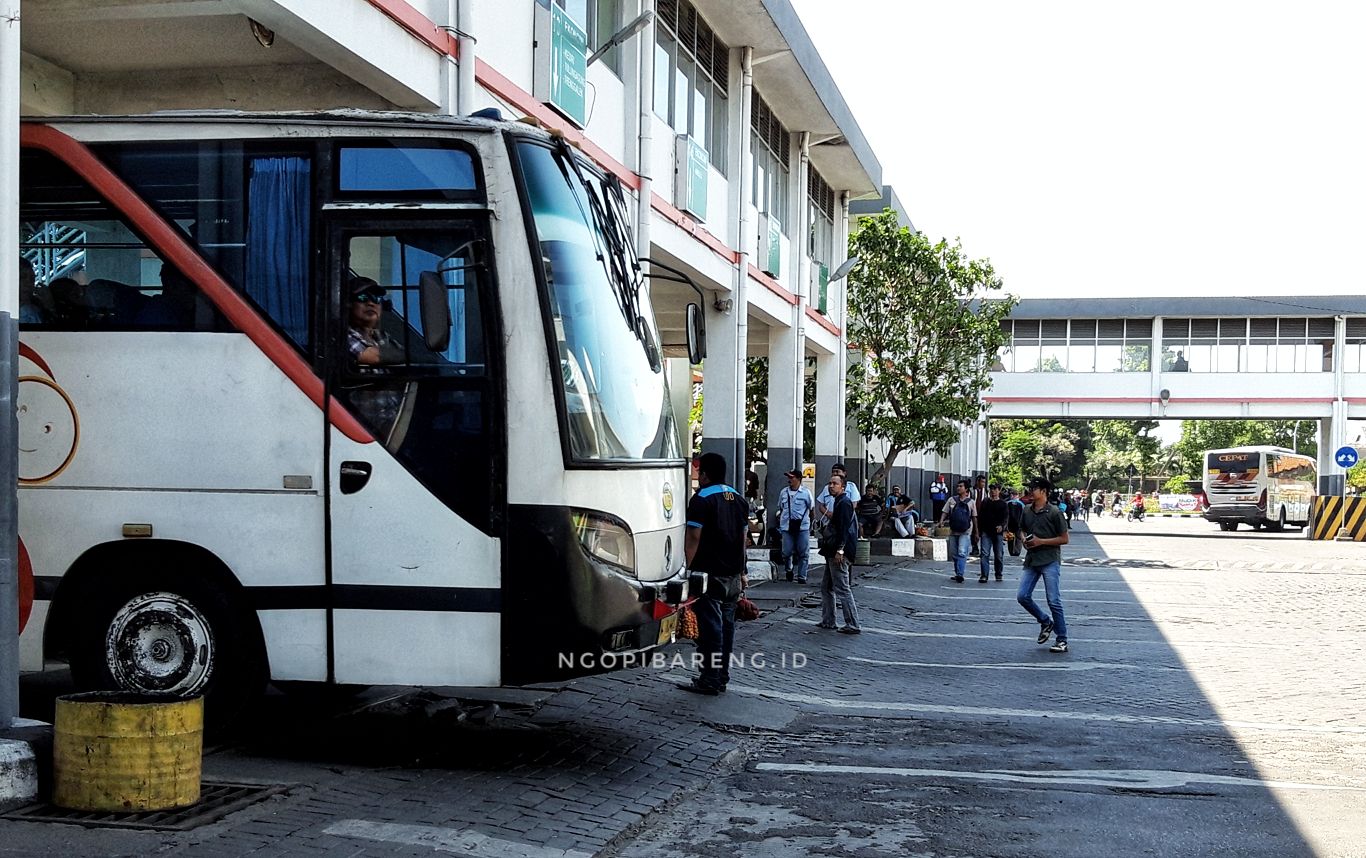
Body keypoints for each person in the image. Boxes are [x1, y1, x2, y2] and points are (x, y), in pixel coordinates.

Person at [680, 452, 749, 695]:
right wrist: (743, 571)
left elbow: (693, 537)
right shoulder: (739, 498)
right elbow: (743, 539)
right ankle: (722, 675)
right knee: (727, 628)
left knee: (711, 629)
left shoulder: (701, 499)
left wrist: (684, 569)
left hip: (708, 574)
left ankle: (709, 678)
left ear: (705, 474)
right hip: (732, 574)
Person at [1017, 476, 1070, 653]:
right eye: (1031, 488)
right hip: (1032, 560)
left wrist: (1042, 542)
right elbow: (1022, 529)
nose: (1031, 491)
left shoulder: (1054, 512)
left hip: (1050, 560)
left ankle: (1062, 639)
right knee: (1022, 596)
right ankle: (1045, 621)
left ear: (1044, 492)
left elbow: (1064, 539)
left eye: (1035, 488)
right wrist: (1024, 539)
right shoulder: (1026, 510)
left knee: (1053, 600)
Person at [346, 276, 405, 433]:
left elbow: (403, 358)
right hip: (364, 426)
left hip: (394, 422)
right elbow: (370, 356)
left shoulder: (382, 337)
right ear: (349, 304)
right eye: (363, 298)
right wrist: (410, 357)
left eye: (377, 299)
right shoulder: (344, 335)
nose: (371, 303)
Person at [816, 473, 861, 634]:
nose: (831, 486)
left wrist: (840, 550)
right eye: (830, 483)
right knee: (826, 587)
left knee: (842, 588)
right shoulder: (838, 502)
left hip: (839, 551)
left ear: (842, 486)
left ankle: (853, 623)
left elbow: (844, 529)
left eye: (834, 483)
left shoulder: (844, 503)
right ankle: (828, 620)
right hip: (832, 549)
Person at [777, 469, 814, 584]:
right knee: (786, 552)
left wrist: (811, 524)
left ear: (799, 479)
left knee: (803, 552)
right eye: (789, 477)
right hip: (786, 526)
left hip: (802, 527)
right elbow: (781, 507)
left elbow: (811, 509)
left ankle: (802, 576)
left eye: (792, 477)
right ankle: (789, 569)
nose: (789, 480)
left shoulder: (806, 493)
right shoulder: (784, 492)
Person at [938, 479, 976, 583]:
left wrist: (976, 532)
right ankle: (957, 572)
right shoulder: (951, 500)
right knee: (954, 553)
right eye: (958, 486)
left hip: (966, 531)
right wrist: (941, 521)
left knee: (962, 552)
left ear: (966, 489)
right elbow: (945, 512)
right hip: (953, 530)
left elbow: (974, 517)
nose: (958, 488)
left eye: (961, 486)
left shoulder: (971, 502)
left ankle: (960, 574)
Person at [977, 483, 1008, 582]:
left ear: (999, 490)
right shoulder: (985, 502)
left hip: (997, 532)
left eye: (995, 489)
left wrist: (1002, 527)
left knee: (998, 554)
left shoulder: (1003, 504)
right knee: (984, 554)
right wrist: (978, 531)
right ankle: (984, 575)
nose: (993, 491)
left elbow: (1006, 518)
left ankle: (998, 573)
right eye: (991, 489)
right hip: (986, 531)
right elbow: (980, 517)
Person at [1006, 488, 1026, 557]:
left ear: (1011, 495)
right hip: (1019, 524)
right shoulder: (1021, 504)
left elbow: (1006, 514)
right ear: (1017, 495)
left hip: (1009, 524)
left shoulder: (1007, 503)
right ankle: (1017, 551)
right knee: (1018, 539)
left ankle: (1011, 551)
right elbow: (1024, 514)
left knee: (1010, 539)